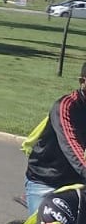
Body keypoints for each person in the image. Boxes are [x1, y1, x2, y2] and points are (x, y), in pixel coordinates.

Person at [21, 66, 86, 214]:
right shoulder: (66, 106)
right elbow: (71, 145)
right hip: (46, 181)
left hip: (75, 183)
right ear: (82, 81)